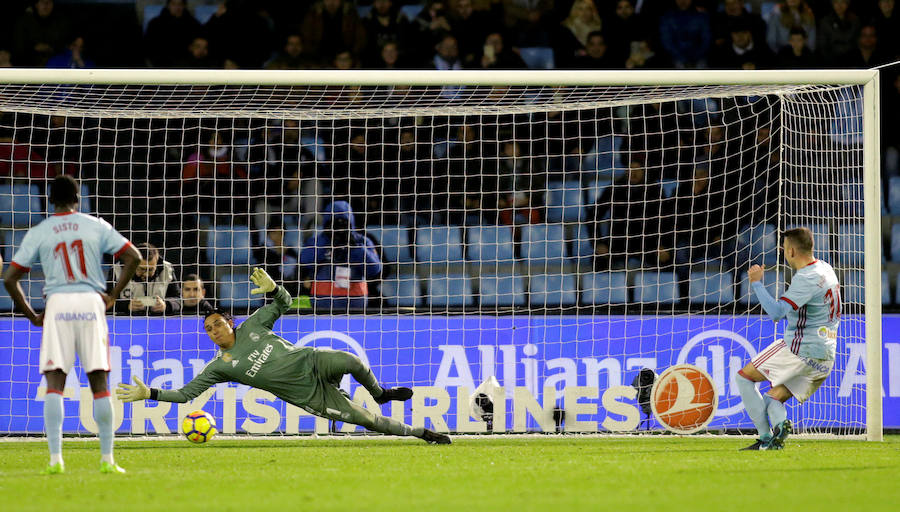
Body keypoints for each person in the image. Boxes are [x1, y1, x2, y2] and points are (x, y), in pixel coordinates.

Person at [116, 268, 450, 445]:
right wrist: (151, 393)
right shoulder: (219, 367)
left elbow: (285, 303)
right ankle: (422, 434)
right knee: (368, 422)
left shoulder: (254, 324)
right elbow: (186, 394)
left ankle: (380, 393)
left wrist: (274, 289)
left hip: (311, 361)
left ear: (230, 323)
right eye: (209, 330)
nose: (214, 331)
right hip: (311, 395)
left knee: (352, 361)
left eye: (218, 324)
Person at [2, 175, 142, 474]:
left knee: (55, 381)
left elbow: (10, 278)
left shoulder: (40, 231)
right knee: (99, 382)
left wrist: (32, 315)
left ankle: (55, 460)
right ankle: (107, 460)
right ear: (78, 198)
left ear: (49, 201)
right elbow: (133, 257)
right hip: (91, 301)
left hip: (58, 304)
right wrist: (113, 295)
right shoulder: (95, 225)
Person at [737, 227, 840, 450]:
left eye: (783, 248)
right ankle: (778, 430)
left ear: (791, 251)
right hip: (825, 357)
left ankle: (765, 438)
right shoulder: (826, 268)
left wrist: (756, 282)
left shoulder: (806, 278)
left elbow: (776, 312)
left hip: (801, 349)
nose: (783, 252)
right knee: (773, 398)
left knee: (744, 378)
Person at [300, 201, 382, 311]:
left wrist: (356, 247)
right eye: (334, 223)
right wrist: (326, 241)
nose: (339, 227)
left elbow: (375, 269)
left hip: (354, 307)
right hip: (322, 307)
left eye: (343, 222)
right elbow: (305, 261)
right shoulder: (317, 242)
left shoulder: (361, 241)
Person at [109, 242, 180, 315]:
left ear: (157, 263)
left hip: (159, 322)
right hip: (126, 322)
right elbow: (105, 302)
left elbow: (179, 300)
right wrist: (127, 305)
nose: (146, 274)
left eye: (151, 270)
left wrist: (166, 305)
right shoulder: (117, 271)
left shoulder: (167, 270)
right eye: (142, 269)